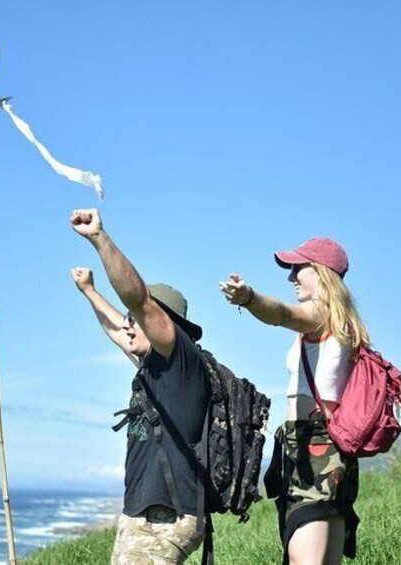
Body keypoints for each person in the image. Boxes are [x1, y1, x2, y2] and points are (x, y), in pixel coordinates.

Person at [70, 208, 210, 565]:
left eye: (138, 319)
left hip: (163, 518)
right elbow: (120, 328)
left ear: (163, 323)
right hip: (143, 515)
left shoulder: (180, 362)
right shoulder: (156, 370)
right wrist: (90, 292)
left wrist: (99, 239)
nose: (130, 325)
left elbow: (139, 301)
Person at [219, 237, 368, 565]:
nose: (291, 278)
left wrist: (250, 298)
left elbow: (281, 313)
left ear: (321, 272)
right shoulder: (342, 322)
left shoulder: (322, 314)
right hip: (331, 451)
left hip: (314, 447)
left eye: (298, 268)